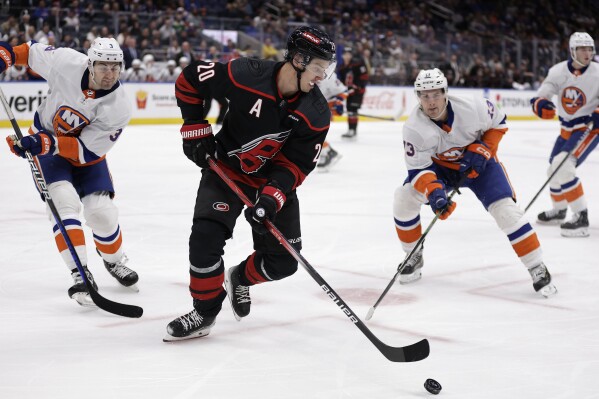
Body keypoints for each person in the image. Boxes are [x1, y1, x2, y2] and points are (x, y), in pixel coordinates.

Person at [164, 26, 336, 341]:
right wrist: (194, 126)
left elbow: (295, 165)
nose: (320, 77)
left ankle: (240, 277)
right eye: (317, 68)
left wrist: (270, 199)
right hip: (226, 171)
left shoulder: (316, 113)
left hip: (270, 183)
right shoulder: (246, 72)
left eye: (325, 70)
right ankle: (204, 312)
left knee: (284, 263)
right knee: (205, 238)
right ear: (298, 59)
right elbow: (189, 78)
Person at [393, 68, 557, 298]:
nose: (431, 102)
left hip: (482, 167)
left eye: (436, 94)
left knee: (507, 212)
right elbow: (419, 169)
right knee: (403, 197)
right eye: (425, 95)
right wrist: (434, 193)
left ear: (446, 92)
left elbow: (499, 123)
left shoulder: (474, 107)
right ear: (418, 97)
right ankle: (413, 254)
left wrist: (484, 148)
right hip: (441, 169)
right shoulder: (413, 127)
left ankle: (536, 265)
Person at [2, 37, 139, 307]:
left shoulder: (120, 107)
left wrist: (42, 142)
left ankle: (113, 260)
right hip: (47, 151)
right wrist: (5, 55)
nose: (109, 74)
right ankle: (80, 272)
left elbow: (87, 151)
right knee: (63, 202)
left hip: (84, 157)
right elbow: (28, 53)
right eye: (102, 66)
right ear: (90, 63)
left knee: (102, 213)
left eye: (115, 67)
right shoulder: (66, 61)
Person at [530, 32, 599, 237]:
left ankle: (581, 217)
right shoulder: (558, 71)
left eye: (590, 48)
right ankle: (559, 211)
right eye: (582, 49)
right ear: (572, 51)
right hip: (566, 129)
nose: (587, 53)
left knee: (564, 165)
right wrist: (541, 105)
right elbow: (540, 96)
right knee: (553, 169)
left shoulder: (598, 73)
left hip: (588, 129)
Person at [316, 74, 347, 170]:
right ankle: (328, 151)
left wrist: (339, 102)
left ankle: (327, 152)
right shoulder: (304, 71)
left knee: (311, 133)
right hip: (312, 106)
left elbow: (343, 91)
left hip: (322, 108)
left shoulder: (329, 76)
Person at [337, 46, 368, 139]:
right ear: (342, 56)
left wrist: (358, 86)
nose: (347, 56)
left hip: (357, 92)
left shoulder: (357, 64)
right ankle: (351, 130)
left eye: (349, 54)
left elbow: (364, 76)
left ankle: (353, 130)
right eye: (345, 54)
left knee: (353, 110)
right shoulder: (342, 67)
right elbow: (341, 81)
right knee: (350, 110)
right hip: (349, 92)